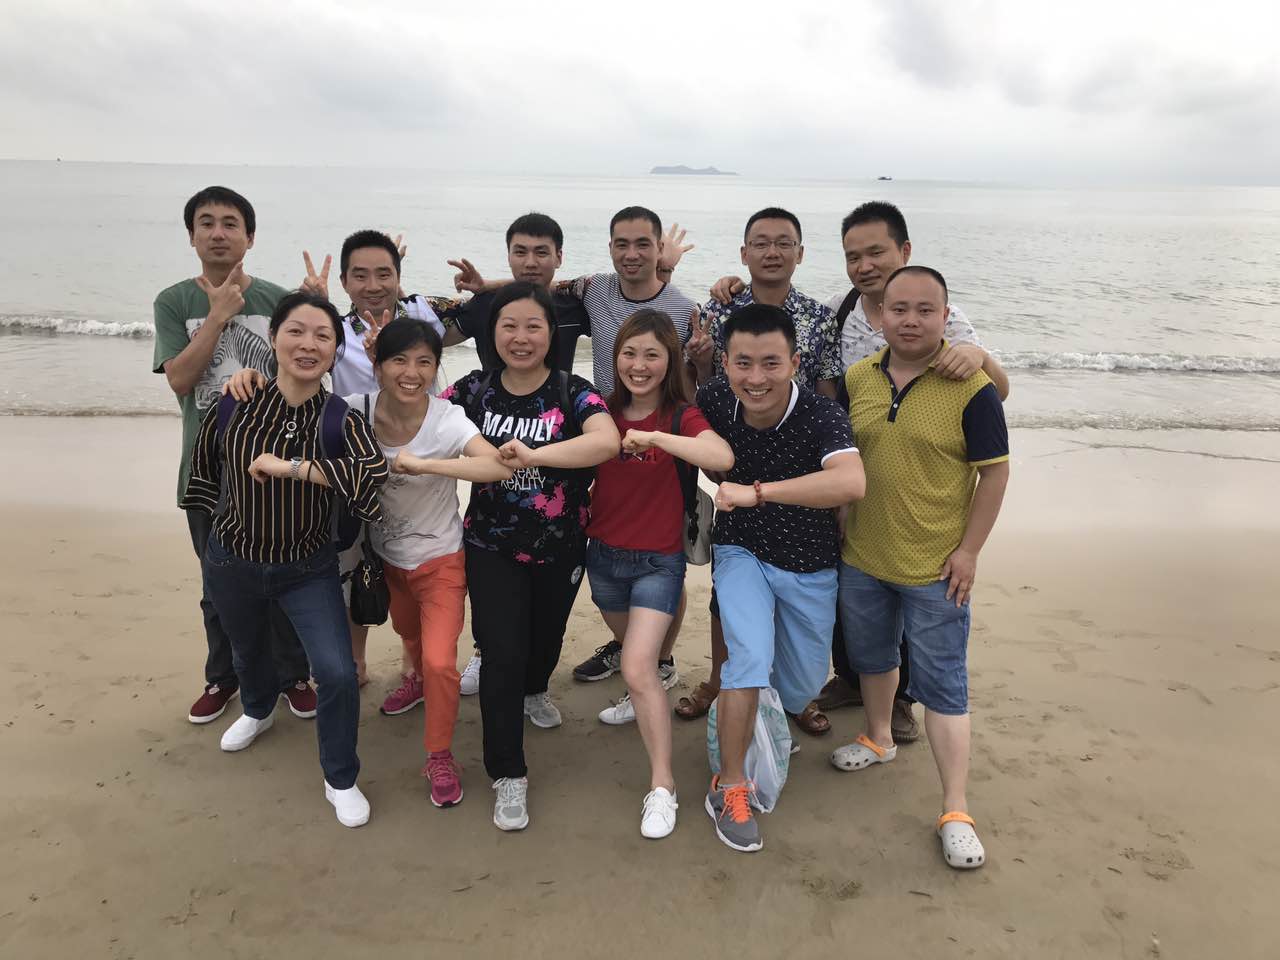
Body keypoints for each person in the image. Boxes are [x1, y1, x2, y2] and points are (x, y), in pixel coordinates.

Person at [181, 291, 388, 828]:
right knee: (247, 649)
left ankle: (340, 776)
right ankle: (257, 709)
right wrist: (210, 549)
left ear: (335, 351)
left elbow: (372, 479)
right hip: (232, 560)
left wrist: (293, 467)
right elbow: (205, 472)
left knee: (337, 673)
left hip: (307, 569)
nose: (308, 344)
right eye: (296, 331)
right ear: (273, 338)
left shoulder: (340, 418)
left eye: (323, 335)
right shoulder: (233, 402)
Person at [833, 266, 1009, 870]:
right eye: (898, 309)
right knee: (873, 658)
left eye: (925, 310)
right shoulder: (858, 378)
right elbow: (846, 459)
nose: (910, 320)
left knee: (943, 685)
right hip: (863, 555)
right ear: (880, 316)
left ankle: (955, 808)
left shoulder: (971, 385)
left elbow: (995, 473)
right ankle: (879, 736)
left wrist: (969, 551)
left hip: (936, 566)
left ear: (946, 316)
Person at [441, 281, 620, 831]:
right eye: (509, 326)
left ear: (551, 333)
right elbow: (416, 413)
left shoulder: (573, 390)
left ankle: (536, 690)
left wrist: (535, 454)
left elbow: (606, 441)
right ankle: (508, 773)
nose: (521, 337)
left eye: (533, 326)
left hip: (561, 545)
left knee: (544, 641)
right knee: (502, 651)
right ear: (492, 332)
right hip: (490, 544)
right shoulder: (473, 389)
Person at [697, 304, 865, 853]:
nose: (756, 378)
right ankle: (731, 786)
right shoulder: (715, 399)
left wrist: (759, 491)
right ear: (725, 363)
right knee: (746, 659)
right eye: (743, 363)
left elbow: (851, 482)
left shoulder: (821, 414)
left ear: (794, 362)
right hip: (740, 550)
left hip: (809, 562)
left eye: (771, 363)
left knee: (800, 685)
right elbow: (693, 445)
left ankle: (758, 718)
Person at [152, 185, 315, 726]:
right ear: (192, 236)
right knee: (217, 584)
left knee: (284, 576)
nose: (218, 233)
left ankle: (292, 676)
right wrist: (218, 316)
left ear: (250, 236)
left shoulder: (278, 301)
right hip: (207, 470)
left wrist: (319, 309)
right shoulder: (173, 302)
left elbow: (308, 371)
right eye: (206, 223)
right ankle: (223, 677)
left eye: (230, 223)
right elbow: (180, 379)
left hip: (275, 466)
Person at [679, 207, 844, 736]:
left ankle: (794, 695)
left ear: (801, 252)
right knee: (730, 596)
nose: (772, 252)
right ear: (743, 252)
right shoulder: (719, 305)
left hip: (800, 467)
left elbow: (827, 393)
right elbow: (700, 390)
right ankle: (720, 680)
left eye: (784, 243)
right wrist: (702, 360)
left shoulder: (818, 317)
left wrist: (828, 462)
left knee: (798, 601)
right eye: (761, 243)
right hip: (736, 461)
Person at [584, 308, 733, 838]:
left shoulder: (680, 416)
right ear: (615, 357)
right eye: (629, 353)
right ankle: (653, 677)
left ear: (669, 360)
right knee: (637, 657)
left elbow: (721, 456)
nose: (639, 365)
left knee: (635, 666)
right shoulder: (600, 411)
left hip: (658, 560)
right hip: (603, 557)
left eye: (652, 354)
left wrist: (657, 440)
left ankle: (662, 787)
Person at [298, 229, 445, 711]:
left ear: (400, 278)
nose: (373, 285)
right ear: (344, 282)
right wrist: (313, 306)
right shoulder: (335, 332)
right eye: (359, 275)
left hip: (416, 466)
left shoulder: (420, 318)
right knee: (352, 567)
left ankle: (412, 662)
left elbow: (457, 334)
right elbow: (302, 367)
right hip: (354, 470)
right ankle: (356, 661)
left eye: (384, 274)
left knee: (409, 567)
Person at [568, 206, 698, 687]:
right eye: (621, 243)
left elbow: (692, 381)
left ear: (659, 248)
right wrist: (485, 288)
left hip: (665, 437)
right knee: (613, 533)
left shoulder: (685, 309)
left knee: (665, 550)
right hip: (607, 428)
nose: (631, 253)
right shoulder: (593, 289)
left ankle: (658, 660)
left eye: (643, 243)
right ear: (609, 247)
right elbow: (540, 282)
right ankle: (630, 647)